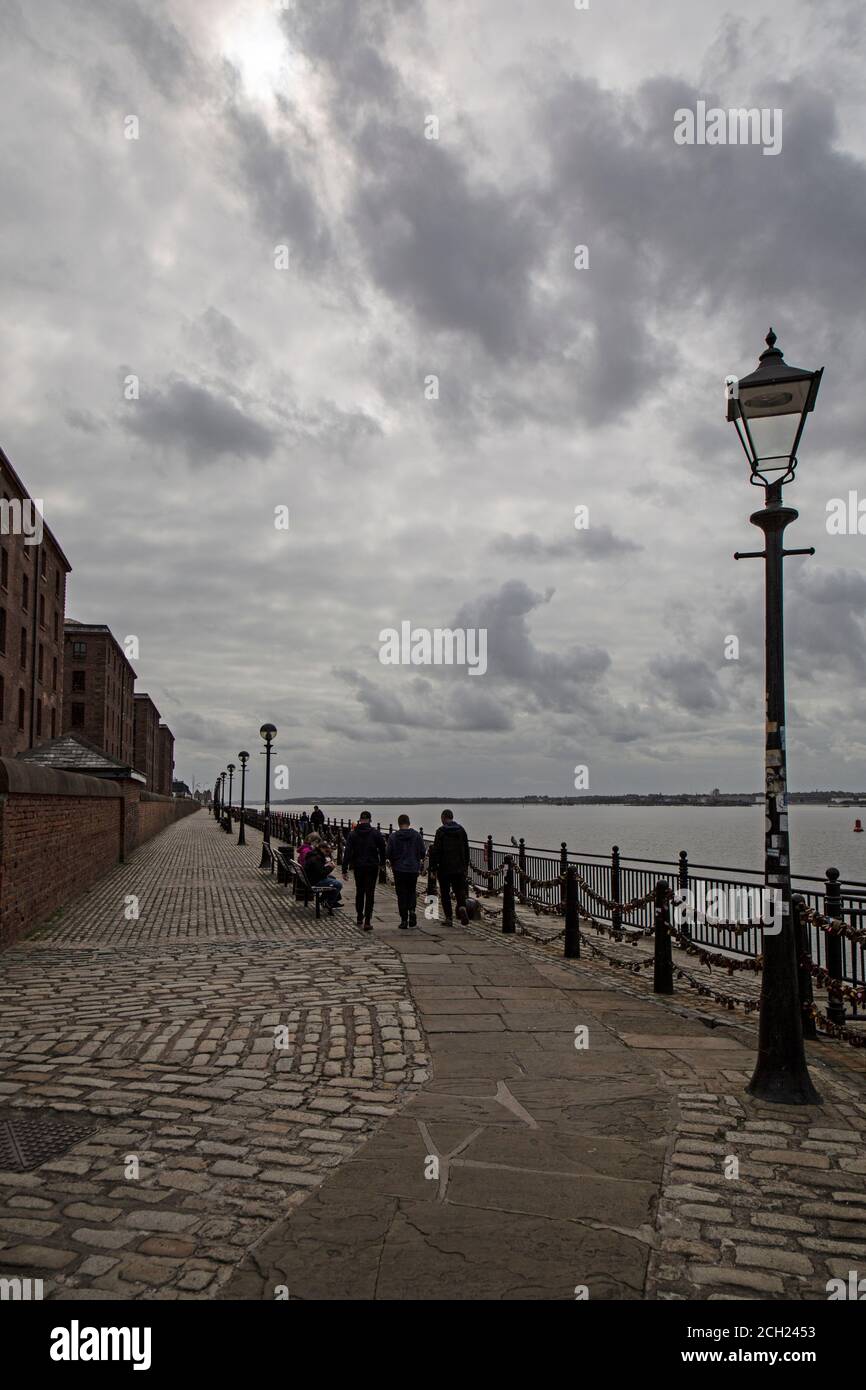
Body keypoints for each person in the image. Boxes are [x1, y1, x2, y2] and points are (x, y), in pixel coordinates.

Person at [341, 811, 386, 930]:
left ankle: (359, 916)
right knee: (370, 893)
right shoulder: (375, 833)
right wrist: (382, 863)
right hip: (372, 866)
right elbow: (382, 849)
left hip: (359, 866)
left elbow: (348, 852)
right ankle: (368, 921)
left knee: (360, 892)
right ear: (370, 820)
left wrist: (344, 869)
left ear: (360, 820)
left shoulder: (353, 834)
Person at [430, 809, 470, 925]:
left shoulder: (441, 831)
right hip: (458, 868)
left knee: (445, 893)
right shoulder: (461, 830)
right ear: (452, 817)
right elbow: (466, 850)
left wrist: (433, 868)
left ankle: (449, 918)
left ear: (443, 818)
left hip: (444, 868)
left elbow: (436, 851)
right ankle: (462, 907)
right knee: (459, 891)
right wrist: (465, 866)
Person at [386, 815, 426, 929]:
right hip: (413, 868)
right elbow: (423, 852)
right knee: (412, 891)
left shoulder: (393, 837)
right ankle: (412, 910)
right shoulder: (417, 836)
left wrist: (394, 860)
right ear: (409, 823)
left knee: (401, 893)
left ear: (399, 823)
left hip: (399, 869)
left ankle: (404, 920)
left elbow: (388, 853)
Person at [303, 838, 343, 910]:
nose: (327, 854)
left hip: (311, 878)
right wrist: (331, 867)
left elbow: (318, 869)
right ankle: (328, 902)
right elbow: (322, 874)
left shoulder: (314, 854)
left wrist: (326, 864)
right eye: (326, 852)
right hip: (315, 881)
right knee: (338, 884)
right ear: (322, 849)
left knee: (332, 878)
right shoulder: (317, 857)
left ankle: (326, 900)